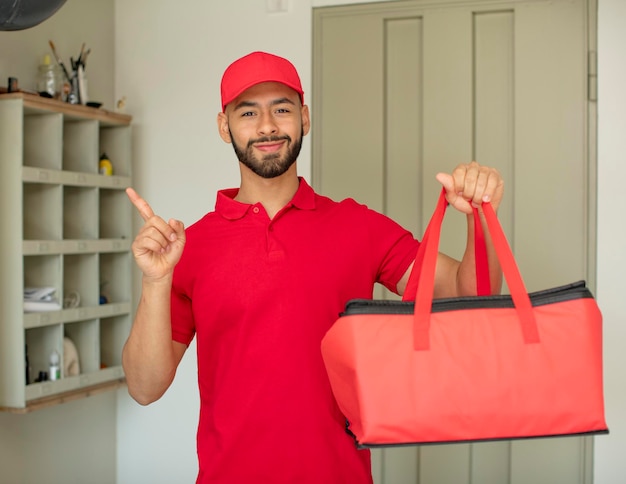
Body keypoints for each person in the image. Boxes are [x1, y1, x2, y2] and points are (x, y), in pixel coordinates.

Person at [122, 51, 504, 484]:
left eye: (281, 109)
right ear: (223, 126)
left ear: (304, 118)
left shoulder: (358, 227)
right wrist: (156, 281)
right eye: (248, 112)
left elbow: (469, 293)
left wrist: (480, 218)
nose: (267, 126)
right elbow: (144, 387)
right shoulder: (190, 247)